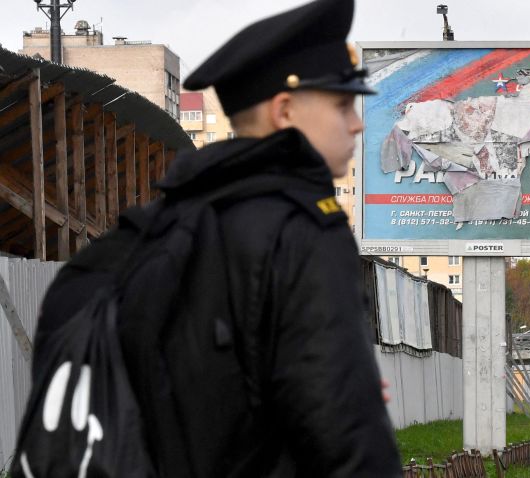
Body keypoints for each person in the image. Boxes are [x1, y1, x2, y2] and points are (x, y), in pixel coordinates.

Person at [32, 0, 401, 475]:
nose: (357, 123)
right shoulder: (301, 231)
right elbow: (352, 448)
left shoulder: (141, 238)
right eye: (342, 104)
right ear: (285, 111)